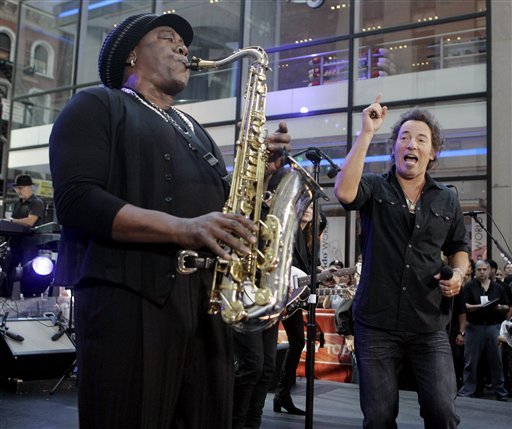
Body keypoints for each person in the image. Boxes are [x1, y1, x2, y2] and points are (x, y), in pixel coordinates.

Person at [48, 13, 291, 429]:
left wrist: (259, 178)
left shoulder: (194, 128)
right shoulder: (97, 104)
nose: (183, 48)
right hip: (130, 300)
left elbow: (224, 207)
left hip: (206, 304)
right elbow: (78, 201)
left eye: (184, 43)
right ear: (130, 54)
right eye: (168, 38)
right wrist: (185, 228)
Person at [334, 95, 470, 428]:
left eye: (421, 139)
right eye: (404, 138)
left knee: (442, 412)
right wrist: (366, 133)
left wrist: (460, 274)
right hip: (376, 322)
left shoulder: (447, 197)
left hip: (429, 323)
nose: (411, 144)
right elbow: (344, 192)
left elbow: (458, 246)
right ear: (395, 148)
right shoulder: (374, 188)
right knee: (379, 417)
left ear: (433, 152)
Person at [273, 203, 326, 415]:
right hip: (277, 293)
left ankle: (282, 395)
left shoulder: (311, 239)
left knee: (297, 342)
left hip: (294, 298)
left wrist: (324, 277)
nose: (308, 210)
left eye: (312, 208)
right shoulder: (288, 231)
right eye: (304, 206)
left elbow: (310, 273)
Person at [458, 259, 510, 401]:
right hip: (475, 327)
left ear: (490, 270)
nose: (482, 272)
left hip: (493, 327)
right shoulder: (469, 286)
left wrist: (501, 308)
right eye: (479, 270)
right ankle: (467, 390)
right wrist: (478, 307)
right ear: (475, 271)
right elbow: (463, 306)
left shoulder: (498, 287)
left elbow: (507, 306)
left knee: (497, 362)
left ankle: (501, 392)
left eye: (484, 269)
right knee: (470, 361)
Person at [1, 175, 45, 297]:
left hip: (29, 245)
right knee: (8, 273)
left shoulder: (37, 203)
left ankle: (29, 300)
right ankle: (7, 299)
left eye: (21, 188)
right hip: (15, 244)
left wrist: (11, 221)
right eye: (17, 188)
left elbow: (30, 221)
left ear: (29, 187)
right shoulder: (18, 204)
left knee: (28, 274)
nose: (18, 191)